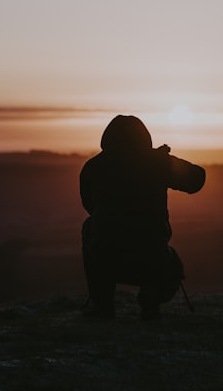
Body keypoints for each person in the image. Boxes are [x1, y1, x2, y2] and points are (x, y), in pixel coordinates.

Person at [79, 114, 206, 319]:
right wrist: (164, 162)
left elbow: (90, 207)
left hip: (107, 259)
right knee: (167, 259)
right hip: (152, 259)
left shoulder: (93, 166)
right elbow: (197, 179)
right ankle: (150, 303)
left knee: (91, 227)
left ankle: (102, 304)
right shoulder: (158, 162)